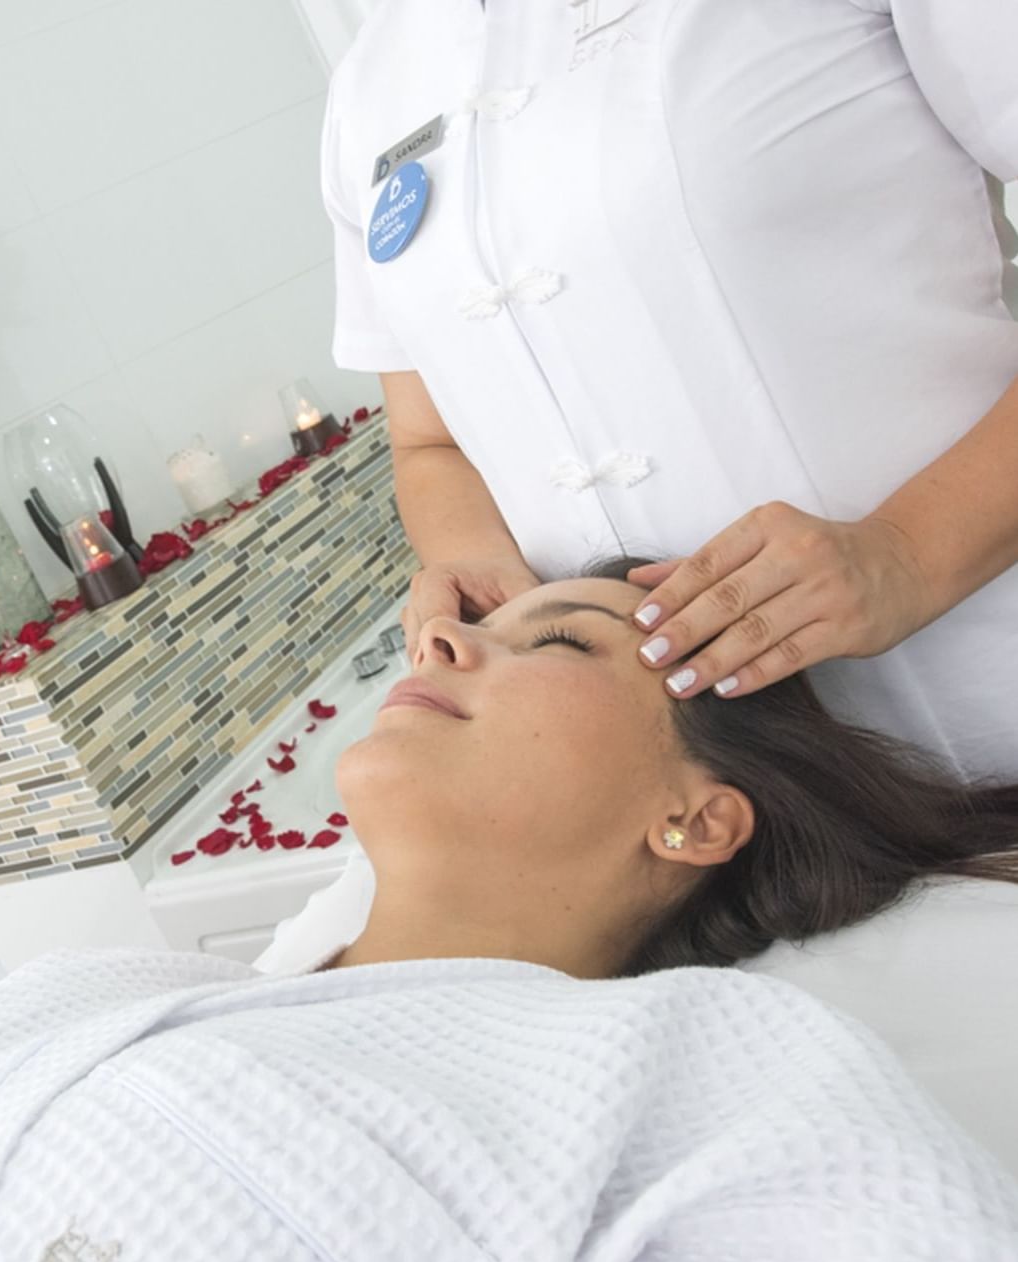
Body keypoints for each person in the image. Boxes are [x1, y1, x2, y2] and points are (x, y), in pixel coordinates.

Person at [0, 569, 1018, 1262]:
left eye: (559, 643)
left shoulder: (707, 1068)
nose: (433, 640)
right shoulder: (64, 997)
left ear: (697, 815)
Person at [322, 0, 1018, 779]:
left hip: (992, 690)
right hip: (722, 810)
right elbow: (430, 441)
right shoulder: (371, 85)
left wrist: (910, 553)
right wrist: (476, 560)